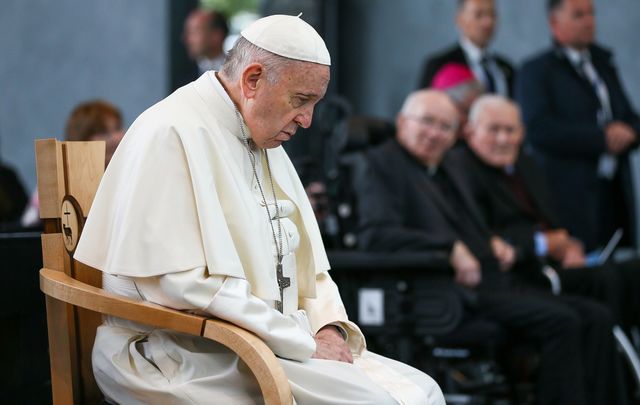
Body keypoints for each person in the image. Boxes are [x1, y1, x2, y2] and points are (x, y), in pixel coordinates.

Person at [74, 14, 445, 405]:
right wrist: (302, 341)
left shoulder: (262, 139)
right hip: (181, 352)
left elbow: (308, 268)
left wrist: (328, 328)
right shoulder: (170, 131)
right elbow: (180, 286)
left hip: (263, 343)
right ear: (252, 80)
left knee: (424, 391)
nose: (307, 120)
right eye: (301, 101)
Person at [357, 89, 625, 404]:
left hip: (492, 280)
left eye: (445, 127)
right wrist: (450, 248)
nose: (435, 134)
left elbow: (470, 224)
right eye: (427, 122)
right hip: (444, 292)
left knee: (595, 315)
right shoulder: (381, 164)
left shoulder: (443, 168)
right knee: (562, 320)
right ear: (403, 122)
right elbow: (375, 236)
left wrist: (489, 242)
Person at [454, 94, 640, 333]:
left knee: (632, 273)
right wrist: (543, 244)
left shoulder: (526, 164)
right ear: (470, 131)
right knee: (606, 289)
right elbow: (484, 235)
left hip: (553, 263)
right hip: (520, 274)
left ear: (522, 133)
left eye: (510, 130)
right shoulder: (461, 171)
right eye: (494, 130)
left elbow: (552, 223)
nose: (503, 139)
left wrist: (570, 245)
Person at [516, 0, 640, 251]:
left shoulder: (603, 64)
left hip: (613, 189)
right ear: (555, 23)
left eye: (591, 14)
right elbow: (538, 130)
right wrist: (601, 138)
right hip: (568, 193)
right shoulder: (537, 70)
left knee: (619, 267)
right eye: (578, 15)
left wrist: (630, 133)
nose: (588, 21)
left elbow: (629, 116)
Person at [21, 99, 124, 228]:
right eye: (103, 132)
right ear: (81, 139)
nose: (117, 138)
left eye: (118, 128)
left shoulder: (127, 175)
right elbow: (28, 227)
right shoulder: (59, 182)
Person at [417, 0, 515, 97]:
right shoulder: (439, 66)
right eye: (478, 15)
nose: (488, 22)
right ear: (460, 20)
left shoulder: (506, 69)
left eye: (492, 14)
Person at [183, 8, 229, 77]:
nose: (188, 39)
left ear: (216, 35)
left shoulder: (238, 71)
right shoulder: (182, 75)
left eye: (194, 32)